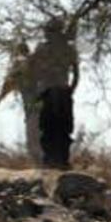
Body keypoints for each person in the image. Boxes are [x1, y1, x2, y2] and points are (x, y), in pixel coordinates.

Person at [29, 18, 80, 168]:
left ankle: (55, 160)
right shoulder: (69, 49)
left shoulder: (42, 48)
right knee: (58, 127)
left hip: (51, 90)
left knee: (53, 126)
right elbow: (76, 74)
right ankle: (57, 160)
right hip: (60, 90)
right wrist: (71, 90)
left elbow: (33, 70)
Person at [0, 41, 41, 161]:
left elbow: (8, 84)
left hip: (31, 101)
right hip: (45, 99)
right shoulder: (38, 63)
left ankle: (37, 159)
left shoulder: (19, 63)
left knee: (32, 128)